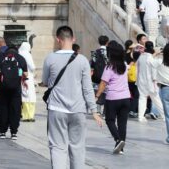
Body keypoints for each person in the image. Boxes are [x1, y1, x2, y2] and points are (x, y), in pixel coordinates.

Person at [41, 26, 102, 169]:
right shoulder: (82, 60)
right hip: (78, 109)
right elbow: (87, 88)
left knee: (57, 147)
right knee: (78, 147)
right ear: (73, 39)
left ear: (58, 39)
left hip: (56, 109)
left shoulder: (50, 58)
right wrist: (94, 111)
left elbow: (45, 81)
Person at [95, 41, 131, 154]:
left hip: (113, 98)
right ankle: (121, 147)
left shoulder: (109, 67)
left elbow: (103, 83)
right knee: (122, 123)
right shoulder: (124, 65)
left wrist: (97, 95)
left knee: (110, 120)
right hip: (125, 98)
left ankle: (118, 139)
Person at [0, 37, 28, 139]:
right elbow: (25, 74)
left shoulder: (1, 56)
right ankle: (13, 132)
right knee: (15, 109)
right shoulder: (21, 58)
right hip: (16, 89)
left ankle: (2, 132)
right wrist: (18, 75)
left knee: (3, 108)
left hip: (3, 88)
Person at [134, 40, 163, 121]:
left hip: (140, 81)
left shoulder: (141, 57)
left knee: (142, 98)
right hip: (150, 82)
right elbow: (154, 67)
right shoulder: (150, 57)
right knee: (156, 98)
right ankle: (164, 115)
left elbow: (137, 68)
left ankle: (140, 116)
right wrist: (160, 58)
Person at [19, 40, 37, 121]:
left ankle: (24, 115)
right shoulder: (27, 54)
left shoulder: (19, 54)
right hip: (28, 77)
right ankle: (30, 116)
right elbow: (32, 66)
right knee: (30, 96)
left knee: (24, 96)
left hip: (21, 77)